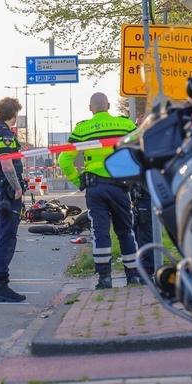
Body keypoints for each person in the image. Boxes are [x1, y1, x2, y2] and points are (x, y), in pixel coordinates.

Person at [58, 92, 142, 289]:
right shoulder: (125, 125)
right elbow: (142, 149)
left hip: (95, 188)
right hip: (120, 186)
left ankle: (104, 278)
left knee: (100, 231)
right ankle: (133, 277)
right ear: (109, 105)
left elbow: (63, 159)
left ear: (90, 108)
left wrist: (79, 180)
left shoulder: (82, 129)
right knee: (126, 231)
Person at [0, 97, 27, 302]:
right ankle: (1, 285)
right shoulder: (5, 135)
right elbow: (7, 164)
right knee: (7, 238)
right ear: (14, 113)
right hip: (7, 191)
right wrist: (17, 187)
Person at [131, 184, 155, 278]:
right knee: (136, 232)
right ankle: (141, 264)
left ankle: (148, 267)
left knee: (145, 233)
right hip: (136, 197)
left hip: (145, 195)